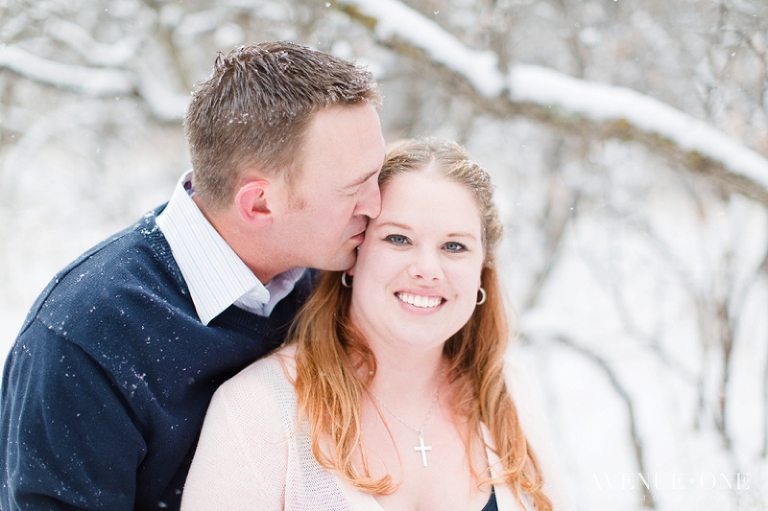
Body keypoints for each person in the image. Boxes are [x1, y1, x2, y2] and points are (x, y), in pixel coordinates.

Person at [0, 41, 385, 511]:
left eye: (378, 177)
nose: (376, 206)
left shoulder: (334, 276)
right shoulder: (84, 337)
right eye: (354, 188)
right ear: (259, 204)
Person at [180, 138, 573, 511]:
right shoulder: (258, 408)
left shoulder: (507, 393)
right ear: (355, 252)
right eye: (398, 239)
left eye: (455, 246)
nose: (427, 270)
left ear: (483, 270)